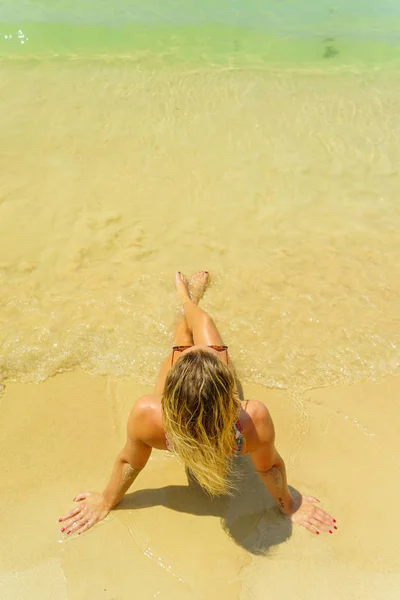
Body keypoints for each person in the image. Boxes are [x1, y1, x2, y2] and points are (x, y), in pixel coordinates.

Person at [59, 271, 337, 537]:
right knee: (201, 323)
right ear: (228, 398)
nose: (198, 351)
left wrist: (107, 501)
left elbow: (130, 461)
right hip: (208, 414)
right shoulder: (251, 420)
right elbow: (269, 467)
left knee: (181, 341)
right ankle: (189, 300)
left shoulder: (150, 415)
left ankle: (185, 300)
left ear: (169, 398)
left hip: (176, 424)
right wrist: (290, 506)